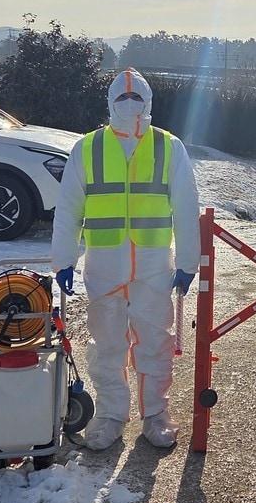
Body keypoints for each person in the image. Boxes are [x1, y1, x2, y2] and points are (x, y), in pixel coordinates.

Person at [51, 68, 199, 449]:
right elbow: (68, 208)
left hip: (153, 265)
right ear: (110, 103)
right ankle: (110, 415)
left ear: (149, 104)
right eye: (122, 99)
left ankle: (155, 414)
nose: (129, 105)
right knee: (107, 345)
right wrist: (62, 259)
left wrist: (187, 262)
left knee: (155, 343)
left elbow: (185, 206)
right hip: (104, 265)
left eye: (136, 99)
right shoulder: (87, 148)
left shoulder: (169, 147)